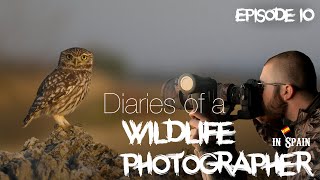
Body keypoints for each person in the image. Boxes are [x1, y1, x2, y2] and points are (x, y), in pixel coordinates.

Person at [189, 51, 320, 179]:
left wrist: (208, 149)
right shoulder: (302, 125)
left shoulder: (314, 145)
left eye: (262, 86)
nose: (259, 93)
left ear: (286, 91)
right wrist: (219, 144)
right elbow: (285, 141)